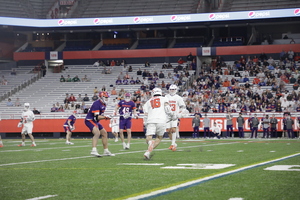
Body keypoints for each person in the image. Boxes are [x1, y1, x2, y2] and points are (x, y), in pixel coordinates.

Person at [142, 87, 175, 160]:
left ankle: (150, 143)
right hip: (161, 120)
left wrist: (145, 122)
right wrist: (173, 115)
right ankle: (148, 152)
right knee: (159, 137)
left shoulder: (148, 101)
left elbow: (145, 114)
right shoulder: (164, 98)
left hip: (151, 120)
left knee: (148, 137)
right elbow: (167, 109)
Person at [84, 91, 115, 157]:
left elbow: (99, 116)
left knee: (104, 133)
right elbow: (96, 116)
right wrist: (106, 117)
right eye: (106, 97)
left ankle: (106, 151)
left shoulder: (104, 104)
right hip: (90, 120)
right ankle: (94, 150)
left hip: (95, 121)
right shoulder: (96, 103)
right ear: (101, 97)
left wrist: (106, 117)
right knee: (97, 133)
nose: (107, 99)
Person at [165, 84, 186, 151]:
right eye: (171, 89)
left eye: (173, 89)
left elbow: (182, 106)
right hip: (167, 115)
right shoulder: (166, 97)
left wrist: (180, 112)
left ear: (176, 90)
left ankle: (173, 144)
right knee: (168, 131)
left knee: (173, 129)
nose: (172, 91)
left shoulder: (178, 98)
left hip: (174, 115)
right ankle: (173, 143)